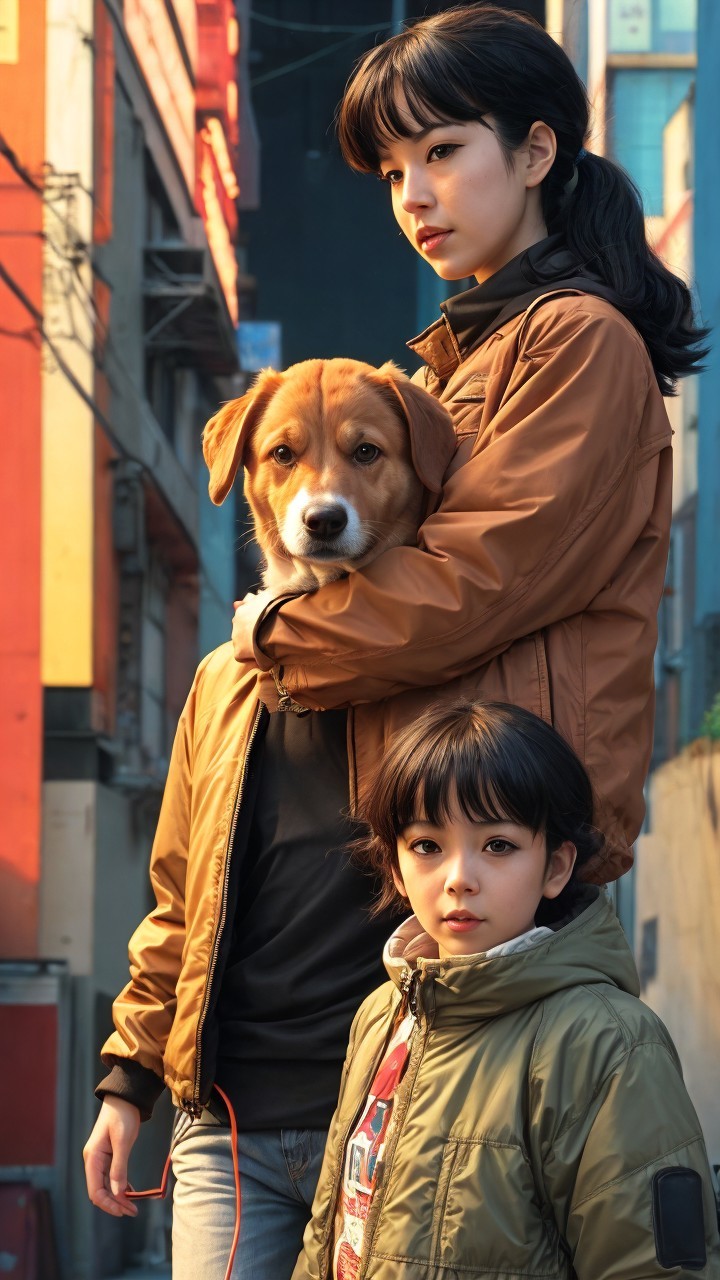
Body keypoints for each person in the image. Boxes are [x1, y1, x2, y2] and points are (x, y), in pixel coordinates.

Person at [86, 4, 708, 1276]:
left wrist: (275, 632)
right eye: (390, 169)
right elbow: (190, 885)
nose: (413, 194)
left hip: (483, 928)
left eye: (441, 151)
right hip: (290, 1048)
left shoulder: (576, 343)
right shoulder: (445, 369)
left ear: (535, 151)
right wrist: (136, 1065)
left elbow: (472, 583)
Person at [292, 698, 720, 1280]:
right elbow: (331, 1229)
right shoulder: (382, 1012)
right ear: (394, 866)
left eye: (498, 845)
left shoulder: (607, 1041)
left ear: (556, 867)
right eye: (427, 846)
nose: (459, 878)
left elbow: (651, 1265)